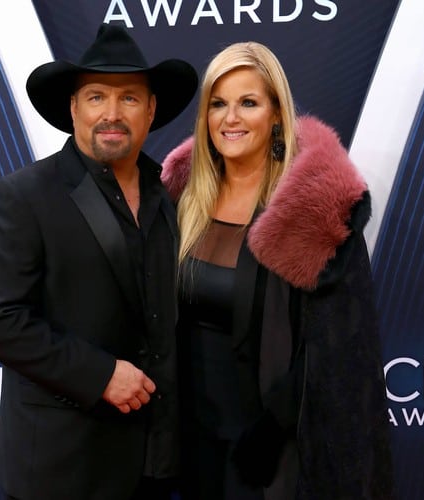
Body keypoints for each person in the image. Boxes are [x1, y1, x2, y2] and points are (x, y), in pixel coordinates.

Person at [0, 23, 197, 500]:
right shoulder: (22, 196)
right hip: (62, 470)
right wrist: (99, 375)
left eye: (129, 97)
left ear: (151, 109)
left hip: (156, 465)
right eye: (96, 97)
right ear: (73, 108)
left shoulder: (172, 197)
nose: (112, 113)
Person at [161, 41, 393, 499]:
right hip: (190, 442)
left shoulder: (312, 213)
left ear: (276, 115)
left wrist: (274, 426)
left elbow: (339, 346)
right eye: (218, 104)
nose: (230, 118)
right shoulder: (179, 201)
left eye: (248, 103)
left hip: (271, 449)